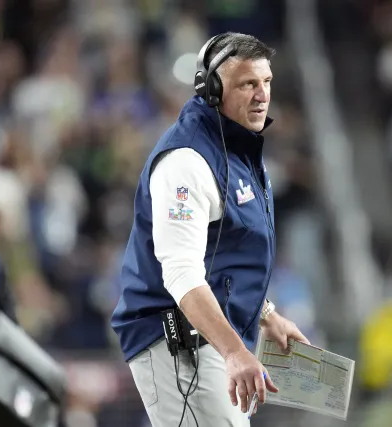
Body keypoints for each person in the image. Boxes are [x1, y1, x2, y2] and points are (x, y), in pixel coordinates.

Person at [111, 32, 310, 427]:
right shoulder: (186, 161)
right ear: (213, 90)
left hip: (208, 337)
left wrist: (266, 313)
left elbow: (221, 255)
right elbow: (181, 272)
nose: (262, 95)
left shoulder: (236, 149)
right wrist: (235, 352)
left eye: (266, 82)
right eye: (247, 84)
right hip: (177, 341)